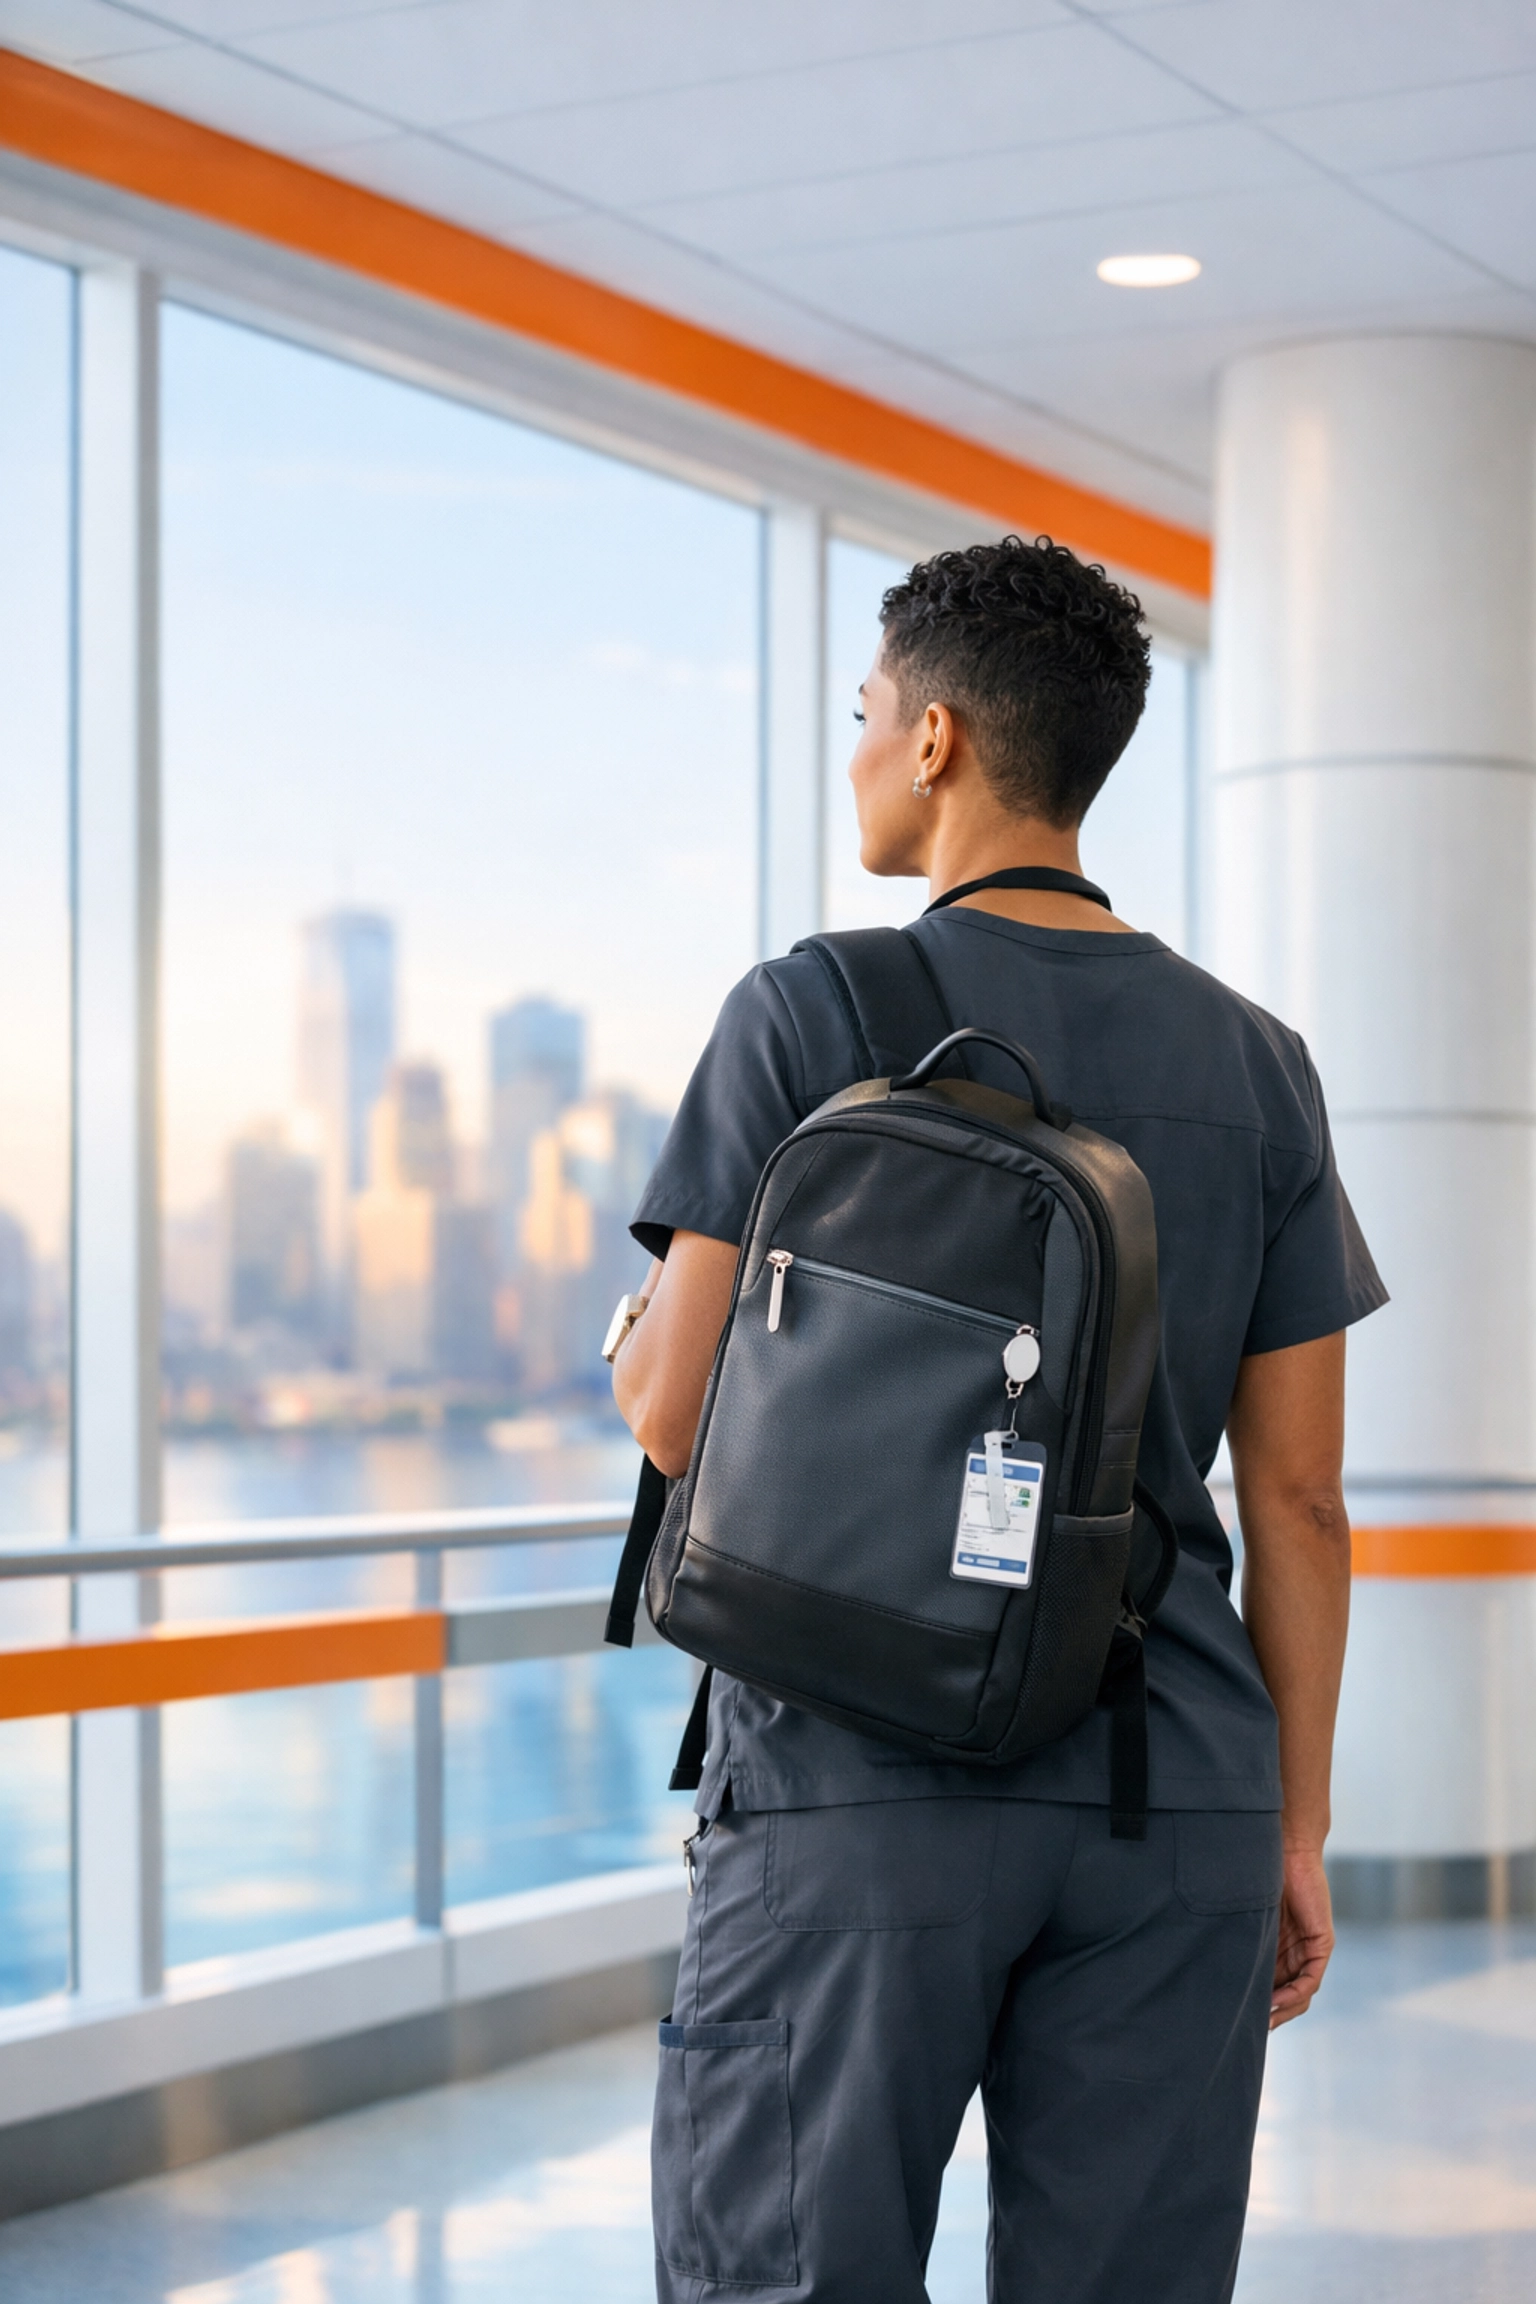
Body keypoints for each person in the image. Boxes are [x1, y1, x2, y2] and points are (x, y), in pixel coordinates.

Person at [610, 535, 1385, 2304]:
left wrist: (636, 1323)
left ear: (942, 738)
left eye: (871, 711)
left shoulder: (812, 1006)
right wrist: (1293, 1828)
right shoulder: (1260, 1063)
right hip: (1171, 1785)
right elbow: (1305, 1502)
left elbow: (672, 1419)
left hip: (854, 1776)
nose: (864, 746)